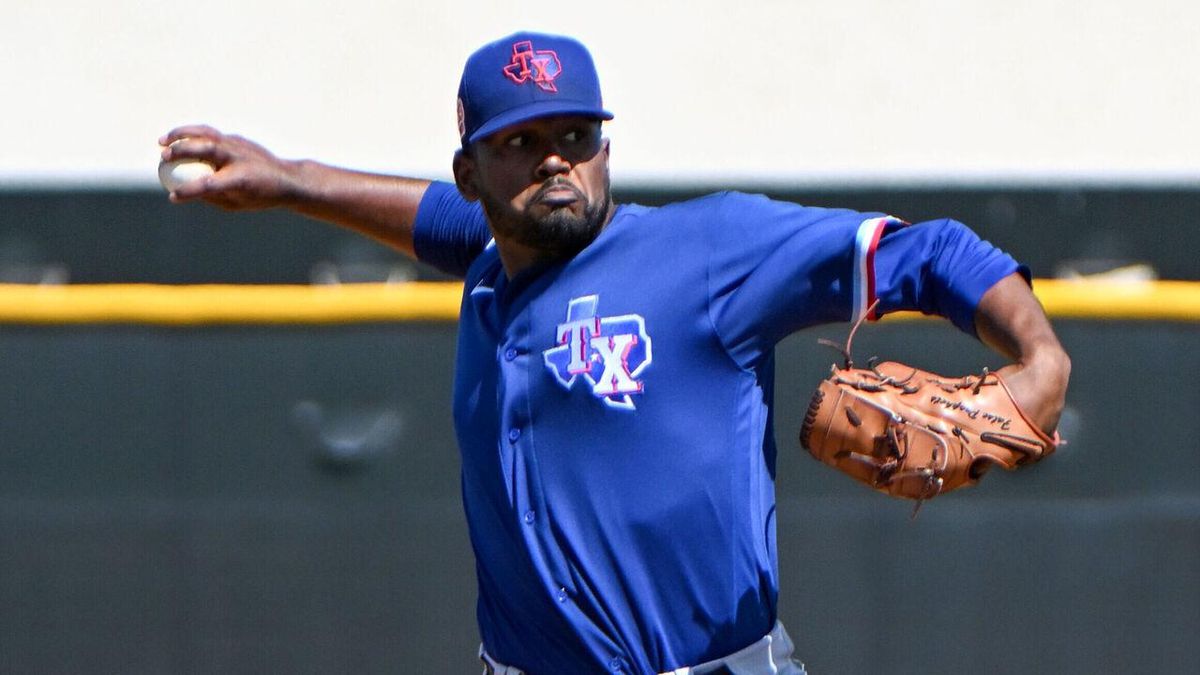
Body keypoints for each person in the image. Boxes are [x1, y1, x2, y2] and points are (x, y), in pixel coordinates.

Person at [159, 31, 1070, 675]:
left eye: (576, 136)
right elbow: (437, 221)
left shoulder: (709, 254)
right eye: (521, 143)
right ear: (473, 173)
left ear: (604, 147)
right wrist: (291, 182)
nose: (556, 161)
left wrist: (1039, 360)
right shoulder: (487, 261)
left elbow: (934, 253)